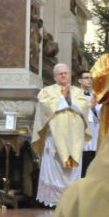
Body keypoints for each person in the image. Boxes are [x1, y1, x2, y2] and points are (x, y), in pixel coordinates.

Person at [31, 63, 90, 206]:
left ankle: (70, 201)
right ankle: (54, 202)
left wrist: (70, 100)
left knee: (71, 172)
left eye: (65, 73)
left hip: (74, 142)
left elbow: (84, 108)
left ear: (70, 75)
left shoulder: (78, 92)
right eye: (60, 74)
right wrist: (62, 98)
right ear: (54, 76)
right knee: (55, 170)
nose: (63, 75)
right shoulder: (47, 92)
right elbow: (45, 109)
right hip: (54, 140)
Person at [77, 70, 100, 176]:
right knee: (83, 165)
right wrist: (89, 107)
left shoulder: (94, 96)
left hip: (94, 131)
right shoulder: (75, 95)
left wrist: (95, 108)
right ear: (80, 81)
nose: (89, 80)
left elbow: (100, 113)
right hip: (82, 132)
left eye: (91, 78)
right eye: (86, 78)